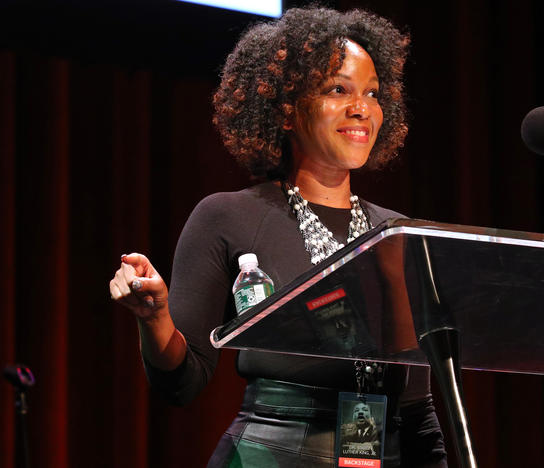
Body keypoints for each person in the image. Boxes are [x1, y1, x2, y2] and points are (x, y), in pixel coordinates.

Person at [109, 6, 447, 467]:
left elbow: (416, 406)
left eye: (372, 93)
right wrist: (154, 319)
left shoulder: (399, 234)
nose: (362, 108)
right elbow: (182, 383)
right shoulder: (228, 217)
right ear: (286, 111)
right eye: (338, 90)